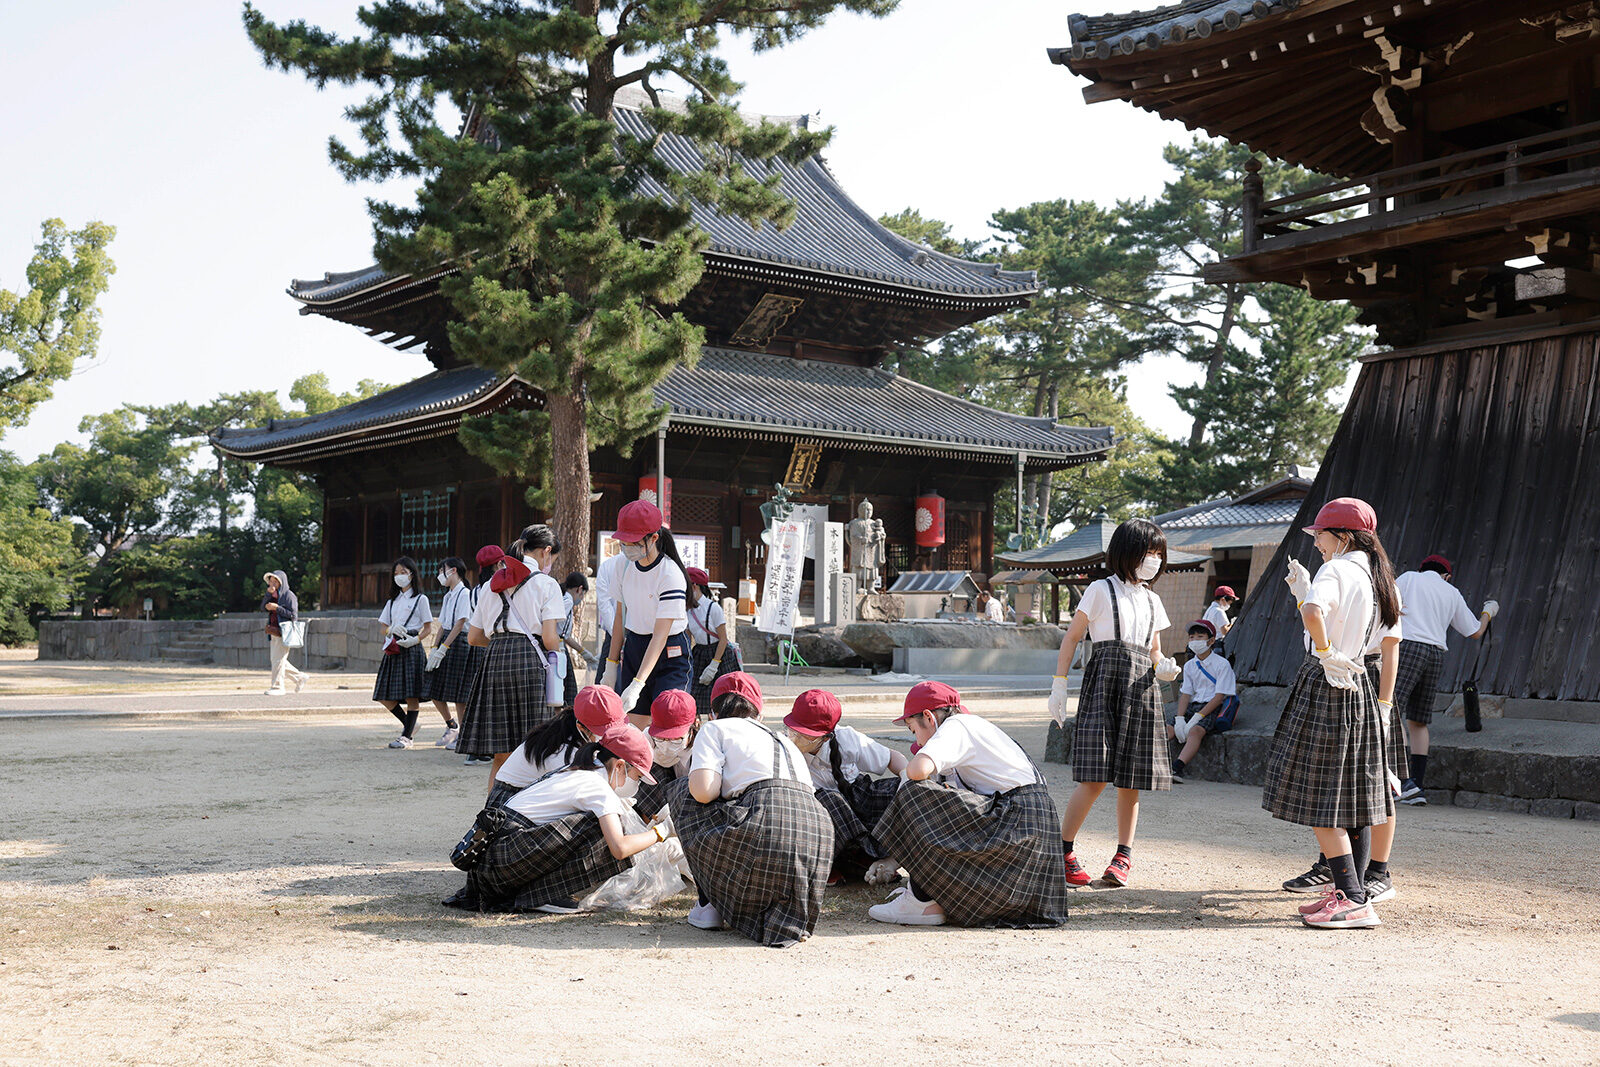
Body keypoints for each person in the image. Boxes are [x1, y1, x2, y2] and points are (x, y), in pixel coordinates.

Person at [1262, 497, 1400, 930]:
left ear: (1341, 535)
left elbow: (1313, 612)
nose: (1316, 543)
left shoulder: (1337, 568)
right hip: (1358, 682)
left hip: (1327, 680)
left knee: (1322, 796)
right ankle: (1349, 890)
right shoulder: (1379, 577)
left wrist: (1323, 649)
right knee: (1351, 795)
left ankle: (1353, 899)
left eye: (1319, 534)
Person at [1047, 518, 1180, 888]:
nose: (1153, 559)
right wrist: (1059, 684)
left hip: (1141, 690)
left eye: (1158, 553)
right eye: (1147, 552)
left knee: (1131, 779)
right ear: (1126, 553)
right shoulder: (1100, 590)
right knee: (1094, 776)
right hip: (1104, 683)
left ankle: (1123, 856)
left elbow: (1154, 651)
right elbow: (1072, 638)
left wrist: (1164, 668)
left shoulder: (1154, 600)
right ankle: (1062, 850)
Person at [869, 681, 1069, 928]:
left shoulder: (957, 726)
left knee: (913, 790)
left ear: (929, 717)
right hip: (1032, 838)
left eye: (913, 730)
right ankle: (927, 897)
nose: (919, 743)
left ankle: (920, 902)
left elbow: (918, 770)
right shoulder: (978, 729)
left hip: (1017, 819)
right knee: (938, 796)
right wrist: (892, 862)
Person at [668, 672, 833, 948]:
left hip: (764, 824)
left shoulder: (715, 729)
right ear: (759, 712)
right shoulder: (783, 739)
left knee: (683, 791)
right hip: (817, 835)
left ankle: (710, 903)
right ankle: (784, 914)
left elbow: (702, 790)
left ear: (714, 711)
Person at [446, 716, 667, 914]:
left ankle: (540, 893)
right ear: (619, 766)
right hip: (504, 864)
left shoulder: (578, 770)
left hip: (493, 863)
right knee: (602, 828)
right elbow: (619, 849)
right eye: (637, 777)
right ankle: (544, 895)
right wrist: (661, 832)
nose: (636, 785)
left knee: (604, 823)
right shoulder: (597, 787)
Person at [457, 530, 566, 786]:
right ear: (546, 551)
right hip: (531, 660)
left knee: (501, 752)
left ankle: (493, 813)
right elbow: (550, 638)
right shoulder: (546, 584)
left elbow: (473, 637)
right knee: (537, 747)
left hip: (494, 660)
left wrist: (501, 641)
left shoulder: (490, 584)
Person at [1391, 554, 1497, 805]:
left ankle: (1403, 782)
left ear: (1422, 568)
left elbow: (1387, 603)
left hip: (1407, 647)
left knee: (1390, 712)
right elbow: (1475, 631)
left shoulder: (1408, 578)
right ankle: (1417, 785)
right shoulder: (1452, 592)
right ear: (1446, 576)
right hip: (1435, 654)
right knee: (1418, 721)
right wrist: (1488, 612)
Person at [783, 688, 906, 884]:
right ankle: (830, 864)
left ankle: (873, 857)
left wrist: (909, 781)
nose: (795, 739)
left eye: (805, 736)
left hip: (859, 804)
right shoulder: (784, 748)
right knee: (831, 800)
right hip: (823, 820)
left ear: (825, 737)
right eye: (793, 731)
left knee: (902, 790)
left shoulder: (847, 738)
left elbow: (892, 757)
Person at [604, 500, 692, 721]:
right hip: (635, 645)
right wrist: (611, 665)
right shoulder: (621, 566)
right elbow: (619, 617)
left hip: (668, 650)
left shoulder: (669, 574)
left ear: (653, 538)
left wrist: (638, 683)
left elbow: (660, 635)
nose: (626, 547)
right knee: (635, 724)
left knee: (667, 721)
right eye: (623, 541)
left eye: (632, 541)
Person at [372, 557, 435, 748]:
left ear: (412, 574)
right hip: (394, 647)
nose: (399, 576)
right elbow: (383, 625)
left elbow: (428, 627)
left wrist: (416, 640)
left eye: (403, 572)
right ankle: (410, 725)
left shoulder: (420, 599)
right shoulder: (393, 600)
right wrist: (390, 630)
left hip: (411, 648)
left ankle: (407, 737)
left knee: (411, 695)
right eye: (396, 573)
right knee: (383, 695)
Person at [1167, 619, 1239, 783]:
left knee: (1195, 731)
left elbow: (1219, 696)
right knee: (1168, 728)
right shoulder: (1190, 665)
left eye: (1200, 636)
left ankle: (1176, 768)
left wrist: (1197, 717)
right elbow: (1185, 693)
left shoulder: (1222, 664)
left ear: (1211, 640)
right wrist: (1179, 718)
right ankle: (1149, 761)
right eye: (1191, 637)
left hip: (1211, 708)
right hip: (1193, 706)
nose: (1194, 641)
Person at [422, 557, 481, 750]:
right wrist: (435, 648)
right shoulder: (448, 595)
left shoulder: (465, 593)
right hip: (446, 641)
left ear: (453, 570)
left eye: (442, 571)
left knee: (459, 694)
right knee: (433, 688)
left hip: (459, 642)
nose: (440, 575)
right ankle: (451, 725)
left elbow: (460, 622)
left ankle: (462, 735)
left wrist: (445, 647)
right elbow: (443, 624)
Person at [631, 687, 699, 819]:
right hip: (660, 800)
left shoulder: (702, 747)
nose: (667, 746)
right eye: (661, 739)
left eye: (676, 739)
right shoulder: (647, 739)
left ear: (694, 725)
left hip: (691, 802)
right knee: (651, 770)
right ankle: (650, 825)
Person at [685, 566, 738, 716]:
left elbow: (723, 639)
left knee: (722, 699)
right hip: (700, 653)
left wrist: (714, 664)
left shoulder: (713, 608)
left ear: (694, 586)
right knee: (695, 696)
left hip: (719, 654)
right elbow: (689, 637)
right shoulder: (688, 609)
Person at [260, 570, 307, 696]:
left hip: (284, 632)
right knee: (278, 660)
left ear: (281, 582)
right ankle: (299, 677)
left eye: (275, 581)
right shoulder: (272, 595)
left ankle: (278, 687)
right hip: (273, 631)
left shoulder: (289, 595)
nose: (272, 584)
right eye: (271, 581)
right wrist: (267, 595)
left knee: (277, 660)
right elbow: (262, 608)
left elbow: (293, 615)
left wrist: (277, 608)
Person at [558, 572, 594, 706]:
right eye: (583, 594)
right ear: (579, 589)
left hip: (561, 645)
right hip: (557, 648)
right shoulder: (567, 601)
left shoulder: (565, 600)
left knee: (567, 689)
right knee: (568, 691)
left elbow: (565, 635)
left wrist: (583, 652)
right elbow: (557, 629)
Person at [593, 545, 628, 666]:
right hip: (636, 631)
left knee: (606, 678)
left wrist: (615, 633)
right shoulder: (642, 563)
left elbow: (604, 604)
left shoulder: (607, 565)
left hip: (613, 630)